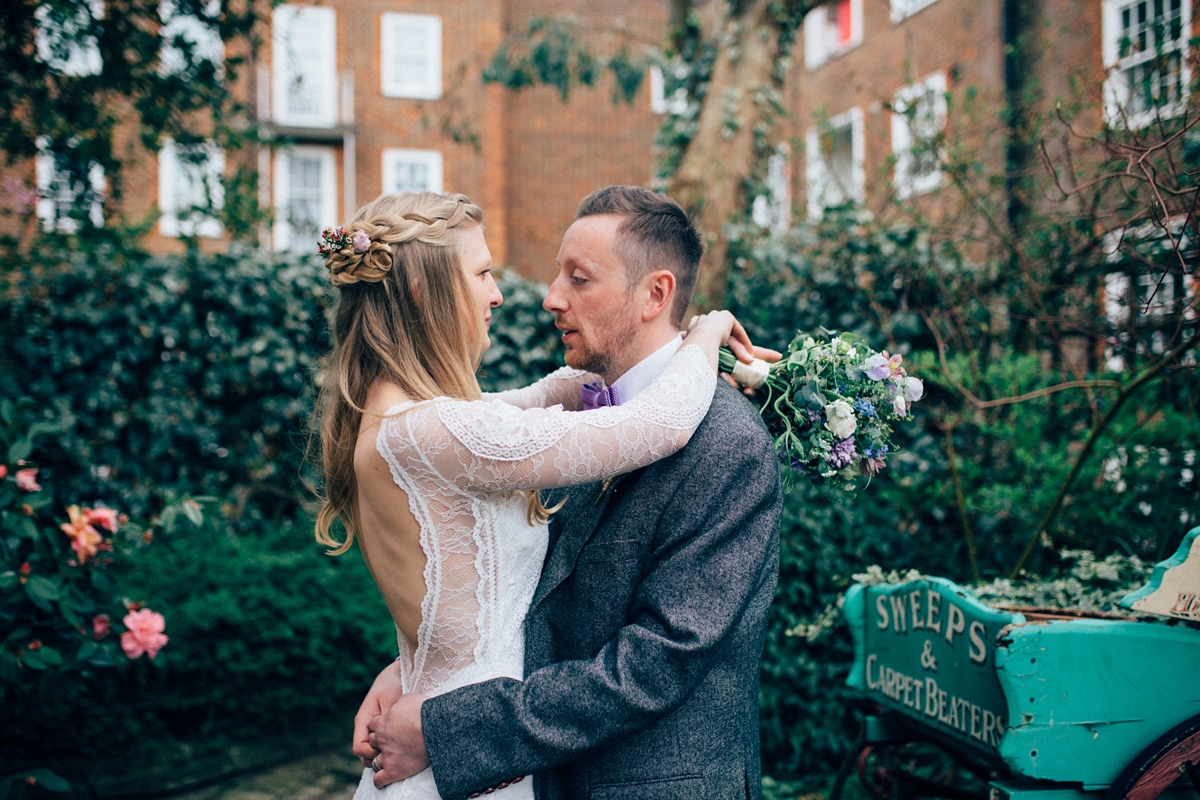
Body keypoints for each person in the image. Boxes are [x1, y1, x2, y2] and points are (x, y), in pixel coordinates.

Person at [312, 190, 760, 800]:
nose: (509, 294)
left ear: (655, 293)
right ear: (423, 292)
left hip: (476, 732)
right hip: (473, 751)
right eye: (483, 272)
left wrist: (413, 664)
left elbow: (528, 410)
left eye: (577, 278)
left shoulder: (415, 421)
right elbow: (656, 427)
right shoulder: (432, 431)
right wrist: (703, 335)